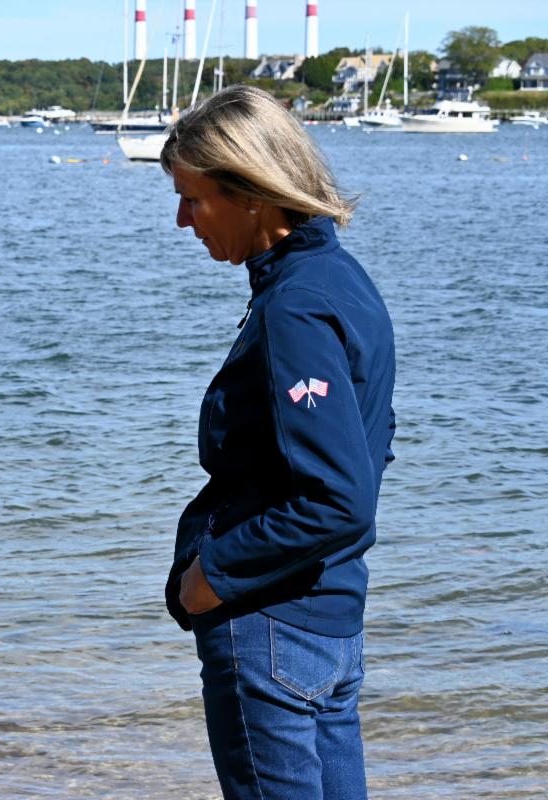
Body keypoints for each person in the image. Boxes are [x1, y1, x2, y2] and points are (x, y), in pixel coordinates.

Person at [160, 85, 396, 799]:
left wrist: (211, 577)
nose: (181, 221)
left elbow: (339, 498)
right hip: (327, 619)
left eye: (193, 199)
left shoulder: (297, 305)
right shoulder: (339, 280)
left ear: (254, 193)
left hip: (273, 626)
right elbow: (366, 450)